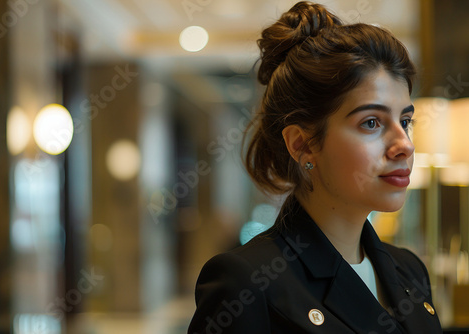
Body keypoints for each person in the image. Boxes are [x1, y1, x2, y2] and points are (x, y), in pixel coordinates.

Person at [187, 1, 443, 333]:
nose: (404, 145)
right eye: (371, 123)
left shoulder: (410, 270)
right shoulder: (248, 282)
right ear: (302, 144)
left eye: (405, 121)